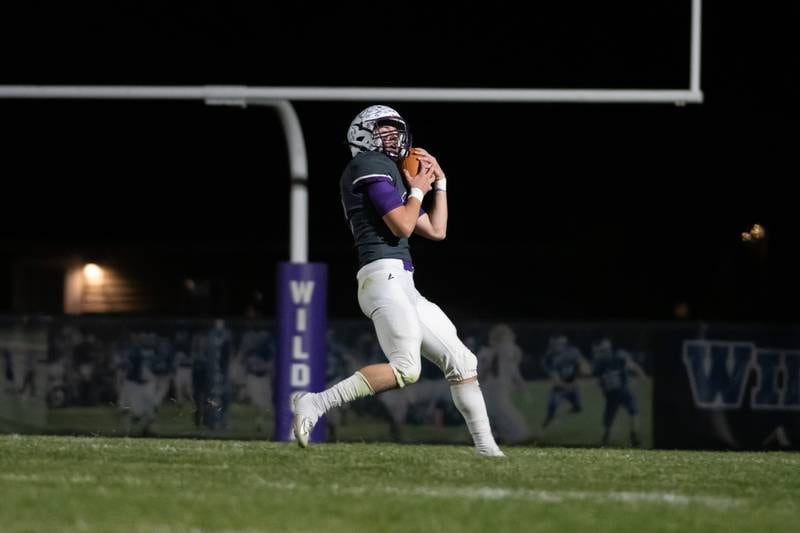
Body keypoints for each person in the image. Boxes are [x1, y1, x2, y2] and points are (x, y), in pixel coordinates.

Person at [291, 105, 504, 457]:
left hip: (401, 281)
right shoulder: (368, 165)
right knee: (406, 368)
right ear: (363, 135)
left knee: (464, 363)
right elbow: (403, 226)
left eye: (395, 131)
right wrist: (418, 188)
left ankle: (487, 450)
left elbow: (437, 230)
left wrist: (441, 184)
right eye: (383, 131)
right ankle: (314, 403)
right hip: (382, 276)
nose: (393, 138)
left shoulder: (385, 170)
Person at [590, 337, 648, 447]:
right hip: (616, 393)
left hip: (619, 392)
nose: (603, 352)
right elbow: (598, 379)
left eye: (604, 350)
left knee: (632, 412)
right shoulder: (605, 361)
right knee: (628, 413)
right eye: (602, 350)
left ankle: (632, 435)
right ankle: (630, 435)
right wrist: (642, 376)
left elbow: (632, 366)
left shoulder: (613, 358)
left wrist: (642, 376)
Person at [540, 334, 590, 431]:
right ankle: (548, 421)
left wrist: (584, 371)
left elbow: (583, 365)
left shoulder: (573, 351)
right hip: (559, 387)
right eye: (553, 344)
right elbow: (555, 378)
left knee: (578, 408)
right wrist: (568, 386)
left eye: (559, 344)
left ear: (564, 343)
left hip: (572, 384)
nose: (556, 346)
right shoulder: (548, 357)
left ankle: (560, 415)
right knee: (552, 407)